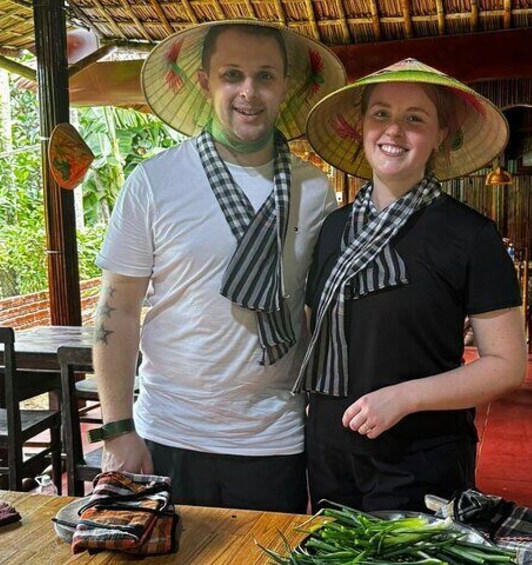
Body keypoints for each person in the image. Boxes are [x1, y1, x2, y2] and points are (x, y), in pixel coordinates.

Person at [91, 20, 345, 513]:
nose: (249, 92)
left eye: (266, 76)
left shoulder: (314, 189)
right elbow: (116, 311)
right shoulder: (154, 182)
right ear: (206, 82)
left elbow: (317, 310)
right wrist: (118, 429)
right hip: (170, 430)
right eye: (233, 74)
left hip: (275, 435)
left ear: (285, 87)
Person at [298, 58, 527, 512]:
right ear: (361, 126)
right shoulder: (333, 228)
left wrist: (404, 397)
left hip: (420, 457)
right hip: (328, 451)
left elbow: (507, 365)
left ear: (441, 134)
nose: (393, 131)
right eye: (380, 114)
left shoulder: (470, 235)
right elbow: (312, 331)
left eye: (414, 119)